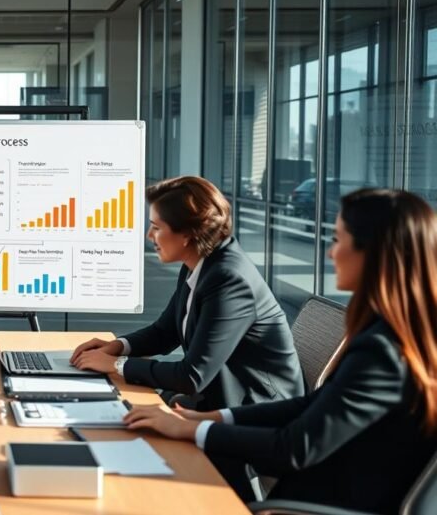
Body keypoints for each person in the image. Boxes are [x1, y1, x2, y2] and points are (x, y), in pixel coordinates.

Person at [124, 188, 437, 513]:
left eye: (337, 239)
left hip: (317, 503)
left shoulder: (384, 351)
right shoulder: (391, 335)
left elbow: (294, 448)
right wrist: (213, 418)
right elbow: (311, 404)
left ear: (372, 253)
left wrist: (196, 430)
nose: (331, 254)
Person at [71, 176, 304, 411]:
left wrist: (116, 365)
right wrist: (118, 346)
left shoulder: (229, 279)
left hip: (255, 412)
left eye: (156, 227)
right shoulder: (199, 263)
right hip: (214, 398)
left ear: (187, 235)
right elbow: (164, 332)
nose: (149, 236)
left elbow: (192, 376)